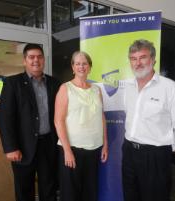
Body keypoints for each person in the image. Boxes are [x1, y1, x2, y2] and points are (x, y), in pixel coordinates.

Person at [122, 39, 175, 201]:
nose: (138, 63)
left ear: (153, 60)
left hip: (155, 155)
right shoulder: (128, 88)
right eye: (133, 59)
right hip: (129, 152)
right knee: (130, 195)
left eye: (143, 57)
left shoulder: (171, 88)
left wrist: (166, 148)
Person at [0, 43, 61, 201]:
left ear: (44, 60)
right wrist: (10, 147)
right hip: (22, 146)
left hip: (49, 145)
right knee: (24, 190)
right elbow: (4, 118)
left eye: (39, 57)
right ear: (24, 61)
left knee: (49, 187)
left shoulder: (55, 84)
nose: (36, 60)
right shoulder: (13, 83)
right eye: (31, 57)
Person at [54, 51, 108, 201]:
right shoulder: (65, 89)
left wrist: (105, 145)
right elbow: (58, 121)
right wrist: (67, 150)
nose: (81, 67)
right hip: (72, 149)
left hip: (94, 148)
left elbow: (101, 117)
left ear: (90, 67)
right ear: (72, 67)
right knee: (71, 194)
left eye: (84, 63)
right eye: (77, 63)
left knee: (90, 192)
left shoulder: (97, 90)